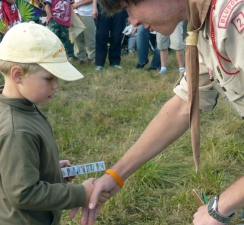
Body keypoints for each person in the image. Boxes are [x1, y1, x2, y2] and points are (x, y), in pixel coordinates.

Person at [71, 0, 244, 224]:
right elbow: (185, 103)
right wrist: (116, 175)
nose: (132, 21)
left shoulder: (233, 16)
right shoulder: (204, 23)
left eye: (128, 8)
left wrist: (220, 207)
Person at [0, 22, 109, 225]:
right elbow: (23, 193)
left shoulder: (17, 106)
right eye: (49, 78)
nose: (56, 85)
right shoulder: (16, 130)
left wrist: (48, 169)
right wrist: (79, 194)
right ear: (18, 75)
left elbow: (16, 167)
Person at [92, 0, 127, 71]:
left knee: (117, 35)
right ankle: (99, 63)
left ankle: (115, 62)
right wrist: (94, 8)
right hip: (103, 5)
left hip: (119, 6)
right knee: (101, 35)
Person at [71, 0, 96, 64]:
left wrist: (77, 5)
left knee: (90, 37)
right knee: (77, 36)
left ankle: (92, 57)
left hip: (87, 13)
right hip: (75, 13)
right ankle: (80, 57)